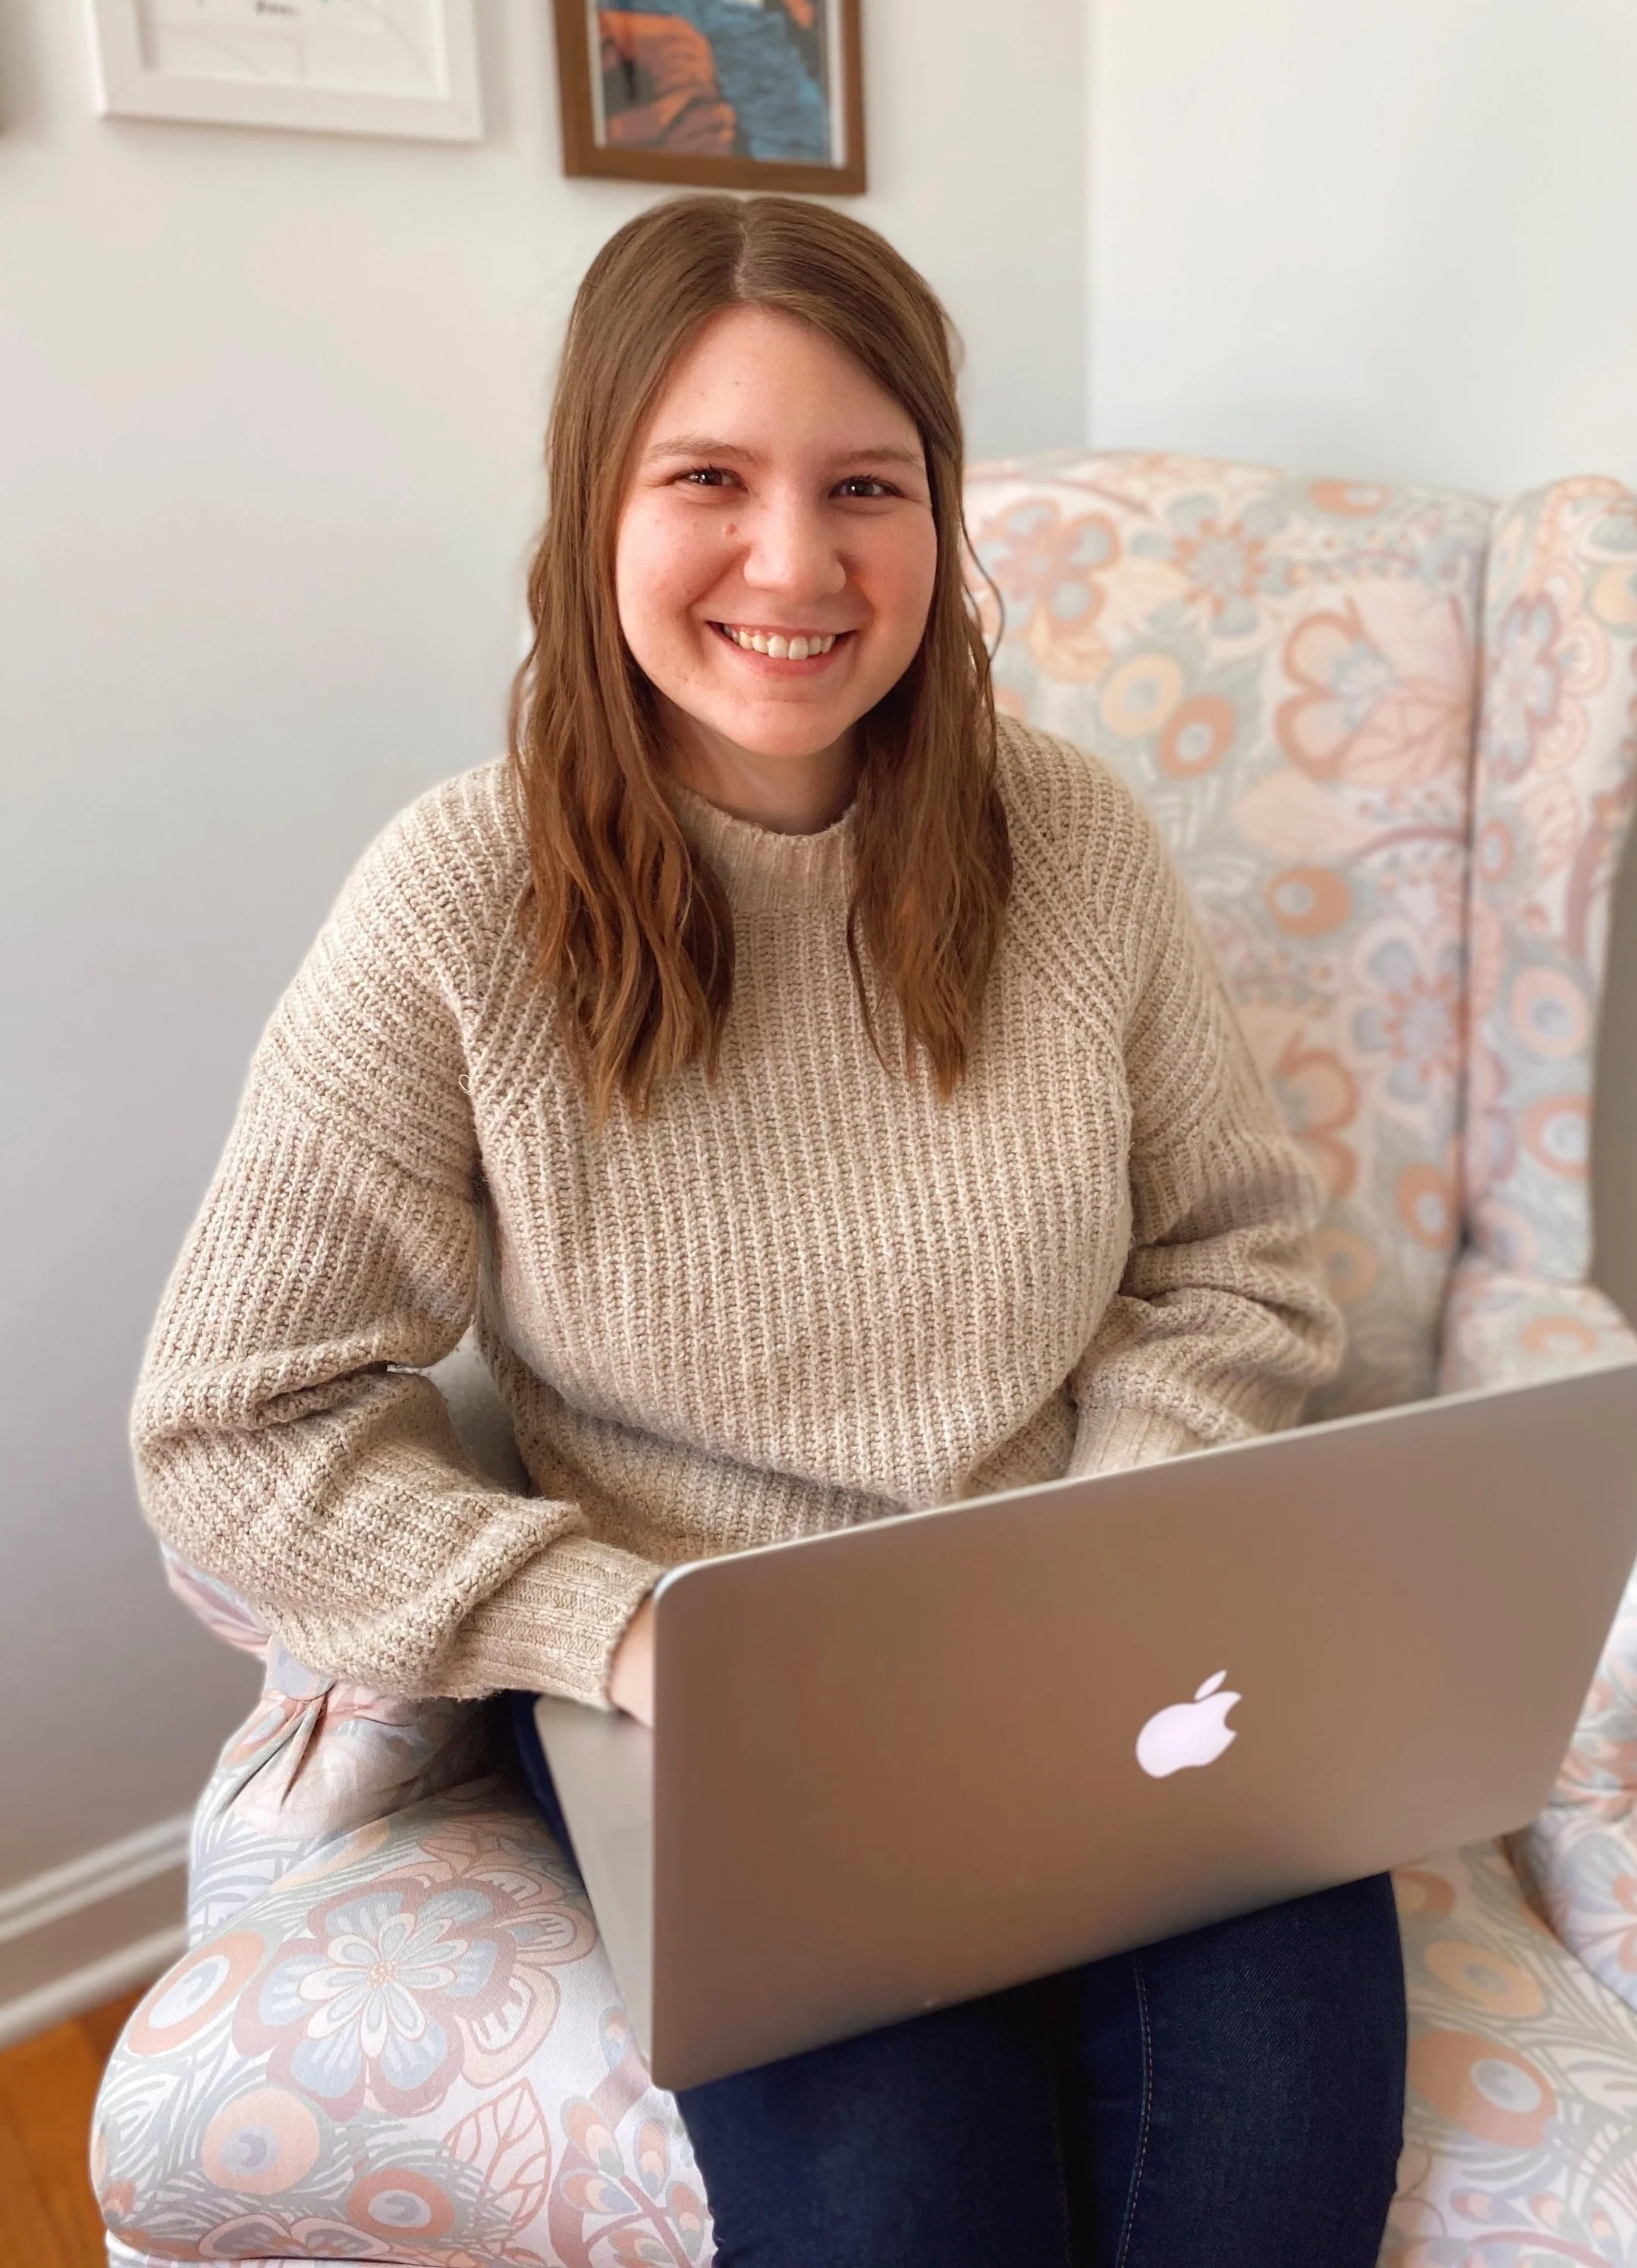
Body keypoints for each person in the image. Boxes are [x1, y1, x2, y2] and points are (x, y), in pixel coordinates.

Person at [128, 194, 1407, 2265]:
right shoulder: (457, 897)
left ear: (937, 517)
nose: (796, 562)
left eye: (865, 487)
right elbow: (236, 1423)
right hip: (706, 1702)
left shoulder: (1068, 836)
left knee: (1274, 2178)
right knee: (909, 2222)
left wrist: (1112, 1529)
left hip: (1105, 1638)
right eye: (707, 478)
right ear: (591, 508)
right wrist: (616, 1626)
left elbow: (1236, 1264)